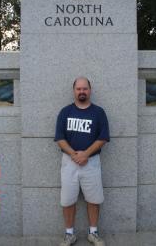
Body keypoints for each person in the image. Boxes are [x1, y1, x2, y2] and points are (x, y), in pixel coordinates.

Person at [55, 77, 110, 246]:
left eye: (84, 88)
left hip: (91, 162)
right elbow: (59, 138)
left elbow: (103, 138)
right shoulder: (65, 112)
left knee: (94, 199)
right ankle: (69, 234)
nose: (82, 92)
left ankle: (93, 232)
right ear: (74, 91)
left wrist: (85, 154)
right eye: (78, 89)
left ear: (90, 90)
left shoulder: (98, 113)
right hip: (69, 162)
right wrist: (74, 155)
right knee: (67, 200)